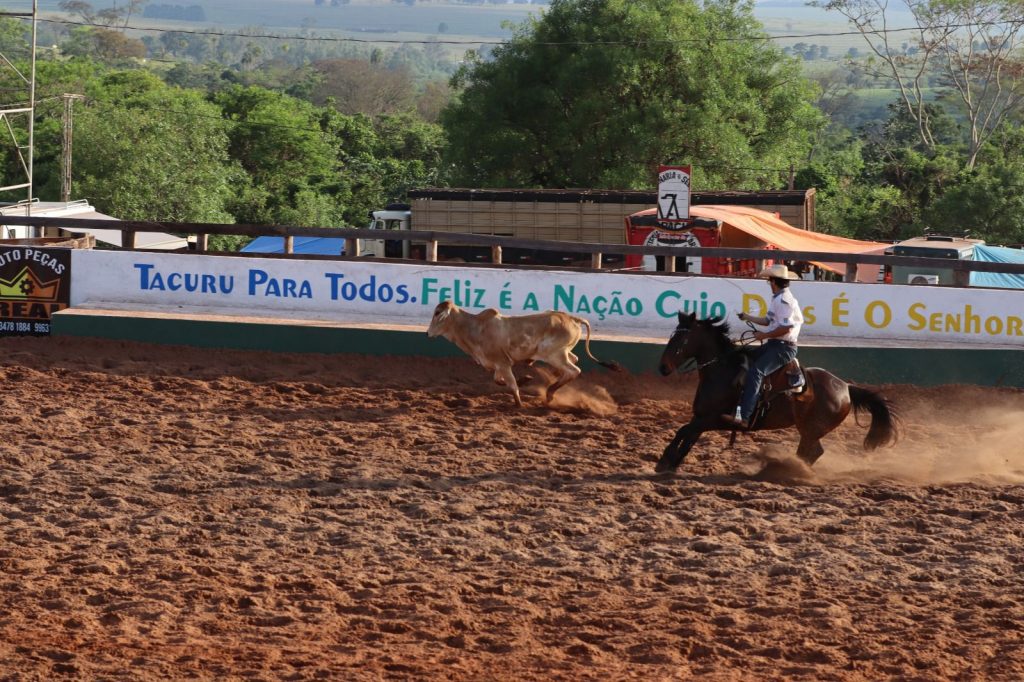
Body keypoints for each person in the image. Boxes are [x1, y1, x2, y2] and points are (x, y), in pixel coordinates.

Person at [722, 263, 805, 429]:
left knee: (755, 372)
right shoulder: (778, 298)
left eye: (769, 281)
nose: (769, 284)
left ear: (774, 281)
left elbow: (786, 327)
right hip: (775, 344)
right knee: (745, 360)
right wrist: (748, 317)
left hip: (783, 348)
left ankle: (744, 417)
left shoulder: (784, 301)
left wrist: (763, 335)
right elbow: (768, 321)